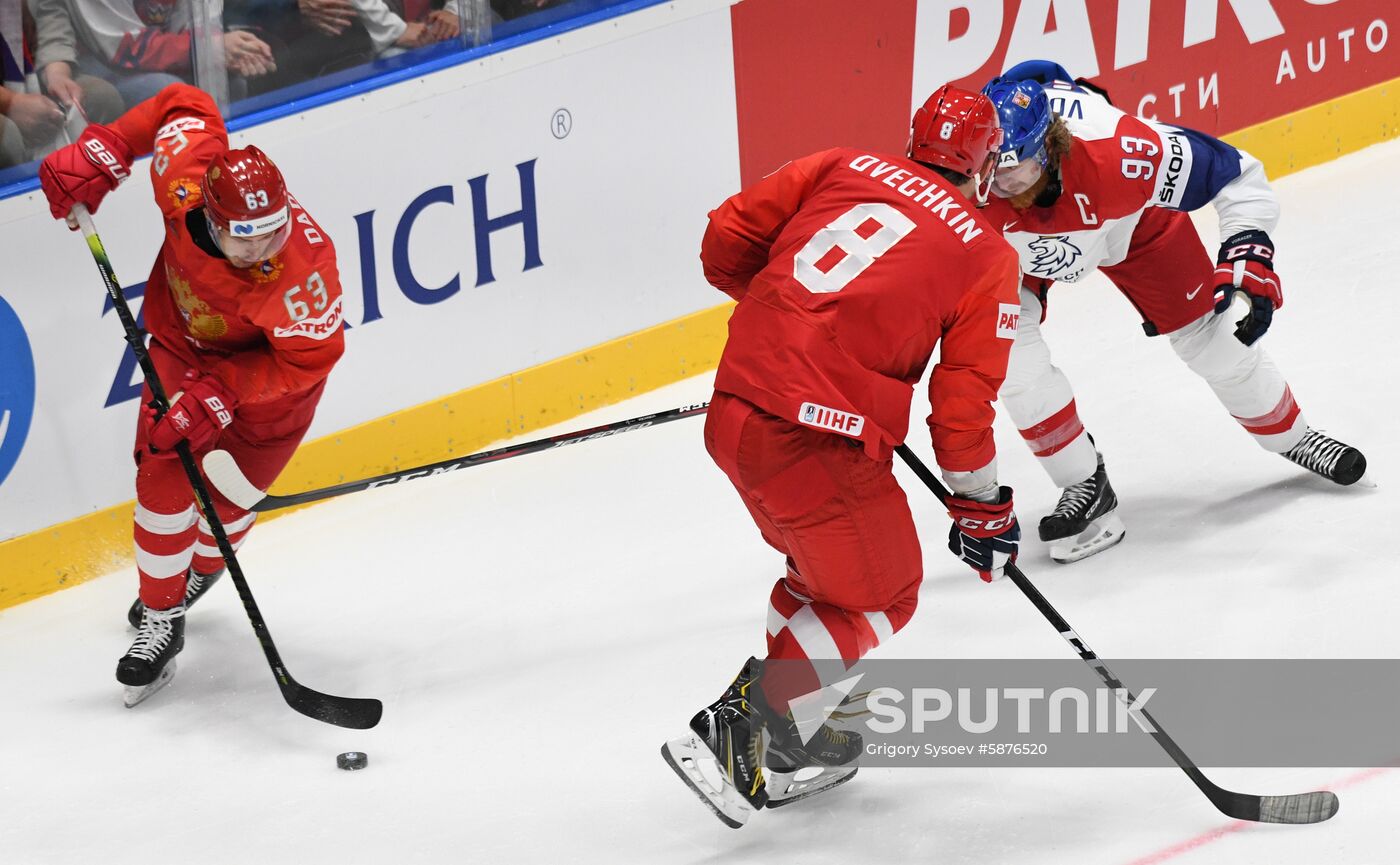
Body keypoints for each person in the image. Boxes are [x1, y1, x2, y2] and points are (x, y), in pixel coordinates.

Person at [662, 86, 1022, 828]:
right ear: (985, 166)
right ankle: (744, 727)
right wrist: (981, 506)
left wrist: (783, 326)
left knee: (821, 581)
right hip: (811, 444)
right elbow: (960, 410)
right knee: (884, 595)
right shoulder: (988, 254)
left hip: (736, 413)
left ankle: (790, 739)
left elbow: (724, 239)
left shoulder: (841, 163)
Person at [979, 60, 1368, 564]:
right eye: (991, 169)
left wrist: (1247, 254)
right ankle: (1084, 487)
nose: (999, 185)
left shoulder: (1121, 149)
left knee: (1215, 338)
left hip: (1129, 228)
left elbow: (1236, 171)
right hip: (1013, 251)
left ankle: (1294, 436)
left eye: (1014, 169)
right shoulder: (963, 168)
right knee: (1007, 353)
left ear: (1050, 147)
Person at [38, 82, 345, 706]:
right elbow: (182, 100)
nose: (262, 249)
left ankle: (202, 570)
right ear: (209, 215)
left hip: (273, 396)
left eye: (273, 232)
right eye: (246, 237)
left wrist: (225, 393)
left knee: (227, 508)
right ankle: (162, 619)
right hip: (182, 353)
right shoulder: (185, 179)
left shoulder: (304, 272)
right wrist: (111, 149)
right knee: (163, 473)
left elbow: (312, 360)